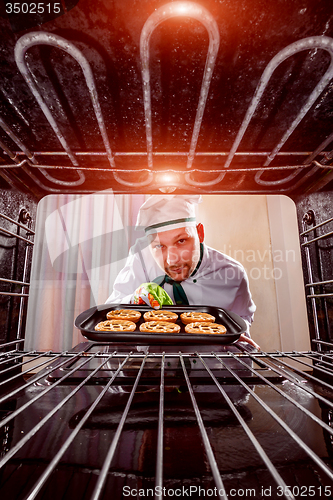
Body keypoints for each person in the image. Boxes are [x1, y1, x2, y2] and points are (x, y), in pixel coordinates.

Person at [106, 195, 258, 348]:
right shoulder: (141, 261)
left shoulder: (232, 274)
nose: (172, 261)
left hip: (210, 366)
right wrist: (133, 300)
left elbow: (243, 317)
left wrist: (235, 334)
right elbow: (109, 312)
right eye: (159, 246)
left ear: (200, 233)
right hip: (154, 367)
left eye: (181, 241)